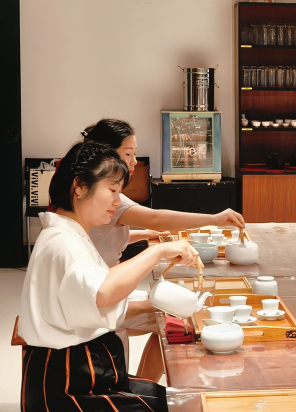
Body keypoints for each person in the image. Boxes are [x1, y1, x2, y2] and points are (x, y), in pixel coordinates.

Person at [19, 141, 201, 411]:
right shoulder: (64, 242)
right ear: (80, 186)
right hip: (72, 385)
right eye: (113, 190)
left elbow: (86, 302)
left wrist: (150, 304)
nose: (117, 201)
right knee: (187, 405)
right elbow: (102, 292)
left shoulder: (67, 233)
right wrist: (158, 251)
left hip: (76, 371)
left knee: (182, 398)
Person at [80, 118, 245, 381]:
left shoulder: (94, 197)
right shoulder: (107, 198)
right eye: (128, 154)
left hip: (103, 289)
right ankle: (140, 389)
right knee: (175, 321)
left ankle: (144, 386)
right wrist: (214, 219)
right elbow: (156, 217)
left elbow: (99, 237)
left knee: (173, 321)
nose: (134, 162)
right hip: (99, 297)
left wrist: (143, 234)